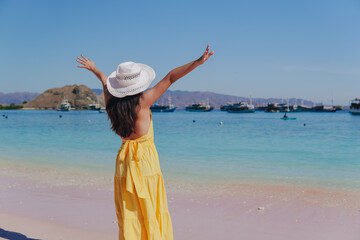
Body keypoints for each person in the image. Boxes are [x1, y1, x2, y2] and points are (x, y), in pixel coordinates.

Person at [76, 45, 214, 240]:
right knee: (151, 210)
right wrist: (198, 62)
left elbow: (105, 81)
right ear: (138, 84)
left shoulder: (110, 103)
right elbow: (170, 77)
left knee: (130, 212)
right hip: (145, 163)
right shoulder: (143, 101)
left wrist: (94, 69)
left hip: (124, 165)